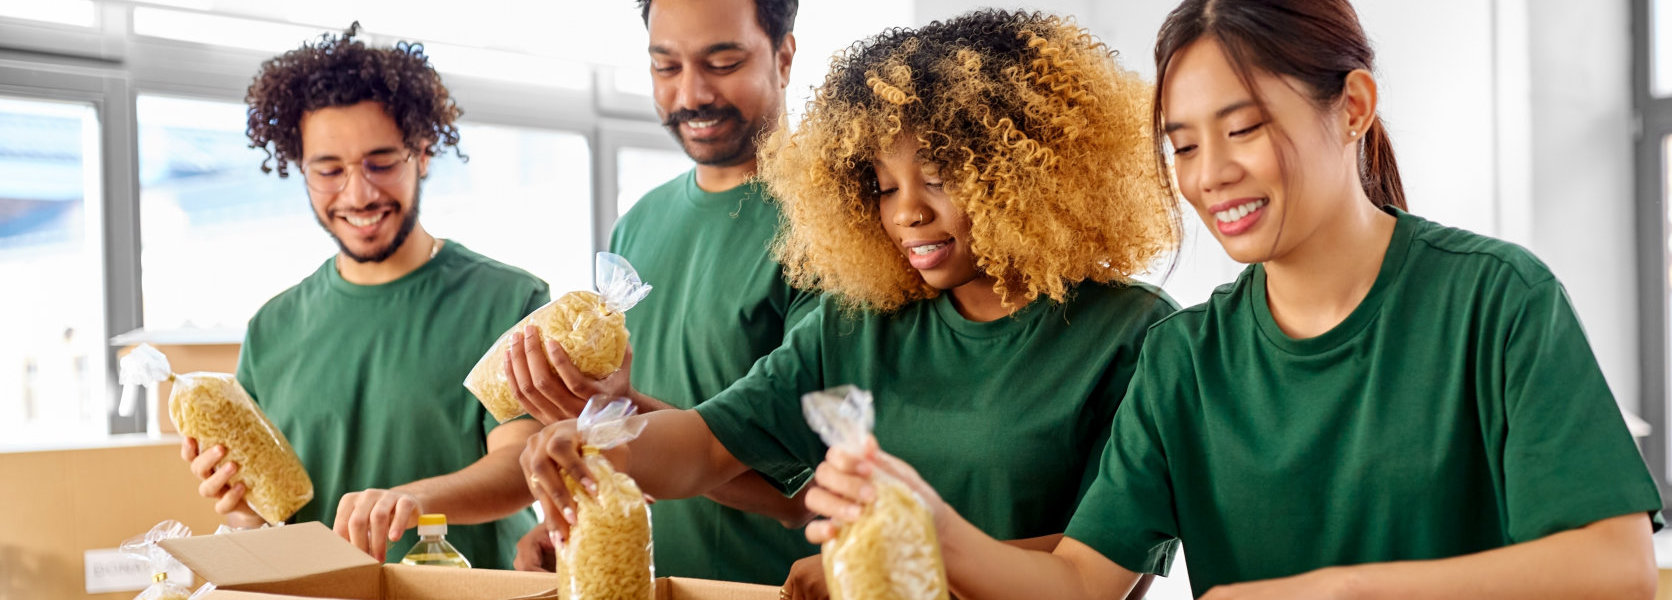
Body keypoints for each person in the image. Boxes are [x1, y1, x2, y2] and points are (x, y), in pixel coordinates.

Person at [801, 1, 1666, 598]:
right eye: (1182, 146)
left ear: (1354, 105)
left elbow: (1614, 568)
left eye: (1243, 128)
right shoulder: (1186, 359)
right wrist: (932, 527)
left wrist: (1337, 590)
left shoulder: (1495, 302)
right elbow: (1078, 584)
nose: (1211, 175)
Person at [517, 10, 1180, 599]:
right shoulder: (856, 321)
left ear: (1028, 174)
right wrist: (595, 445)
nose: (908, 213)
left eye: (939, 179)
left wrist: (890, 559)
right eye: (883, 186)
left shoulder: (1134, 336)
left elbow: (1100, 572)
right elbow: (705, 445)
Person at [178, 23, 547, 569]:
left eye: (381, 162)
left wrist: (413, 501)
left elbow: (522, 467)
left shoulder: (508, 301)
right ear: (299, 169)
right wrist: (242, 512)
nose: (358, 193)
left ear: (422, 153)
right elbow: (275, 516)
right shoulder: (271, 328)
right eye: (329, 170)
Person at [498, 0, 823, 584]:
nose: (691, 95)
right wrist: (575, 520)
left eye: (722, 62)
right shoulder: (639, 223)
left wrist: (614, 420)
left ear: (784, 56)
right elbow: (634, 448)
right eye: (665, 67)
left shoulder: (834, 226)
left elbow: (796, 496)